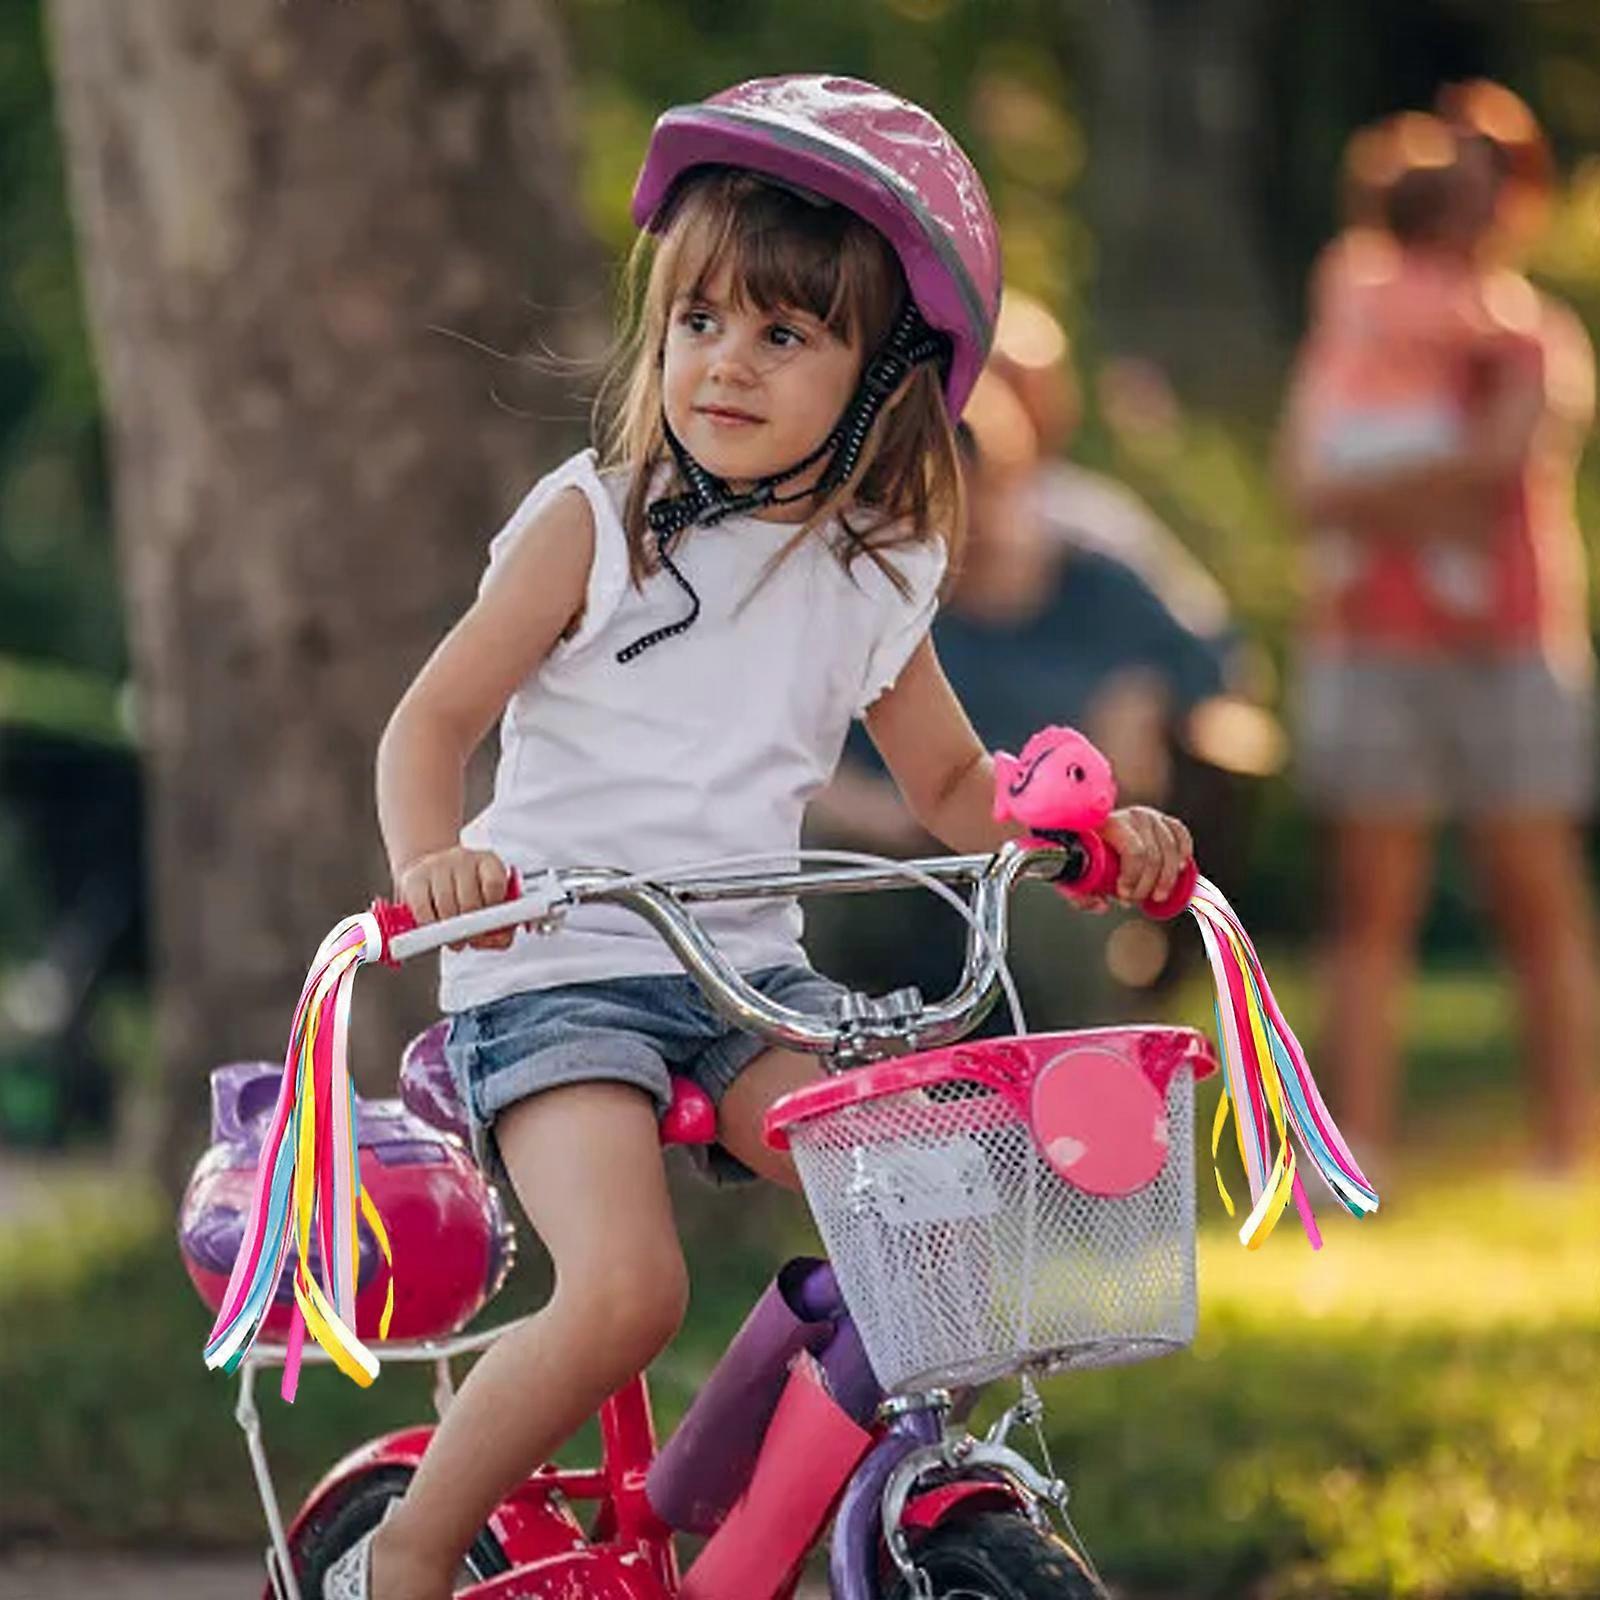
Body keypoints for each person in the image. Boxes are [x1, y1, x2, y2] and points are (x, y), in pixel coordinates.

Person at [331, 77, 1195, 1600]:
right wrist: (433, 870)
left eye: (785, 335)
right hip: (557, 974)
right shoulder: (591, 523)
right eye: (702, 323)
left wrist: (1070, 829)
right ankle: (405, 1556)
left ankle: (727, 1512)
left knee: (919, 1211)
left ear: (883, 382)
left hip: (742, 994)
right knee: (625, 1294)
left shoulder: (876, 567)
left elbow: (947, 784)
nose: (726, 363)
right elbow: (428, 725)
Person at [1279, 90, 1598, 1183]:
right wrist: (1425, 497)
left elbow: (1484, 468)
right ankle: (1356, 1139)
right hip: (1372, 641)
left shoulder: (1531, 337)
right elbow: (1308, 484)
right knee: (1366, 904)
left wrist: (1373, 493)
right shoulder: (1363, 312)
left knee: (1535, 895)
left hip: (1505, 643)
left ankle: (1568, 1144)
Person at [809, 292, 1274, 1021]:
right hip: (892, 855)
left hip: (1040, 859)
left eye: (981, 494)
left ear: (1019, 483)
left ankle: (1067, 1107)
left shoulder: (1102, 581)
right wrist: (879, 817)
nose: (960, 525)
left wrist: (1142, 713)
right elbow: (801, 751)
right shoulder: (877, 598)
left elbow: (1215, 679)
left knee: (1046, 917)